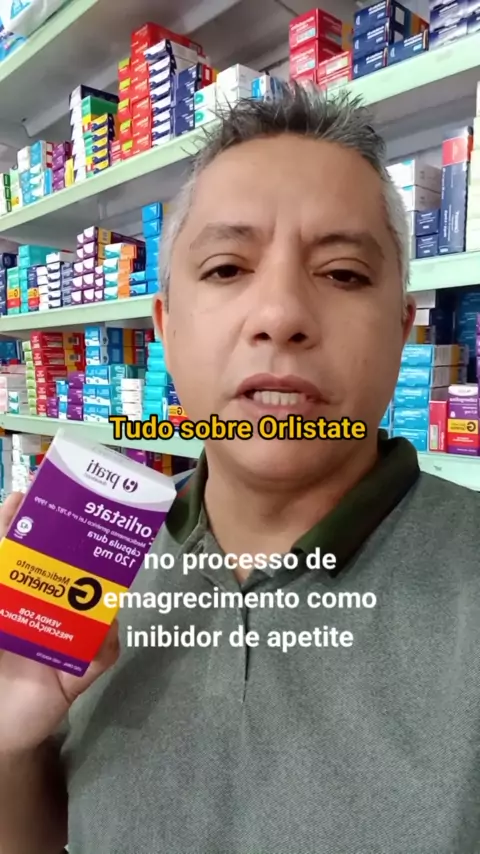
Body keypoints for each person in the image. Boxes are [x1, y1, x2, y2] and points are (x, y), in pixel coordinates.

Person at [1, 84, 479, 854]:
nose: (280, 314)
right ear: (164, 328)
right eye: (227, 268)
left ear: (402, 331)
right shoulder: (83, 565)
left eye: (343, 273)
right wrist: (10, 745)